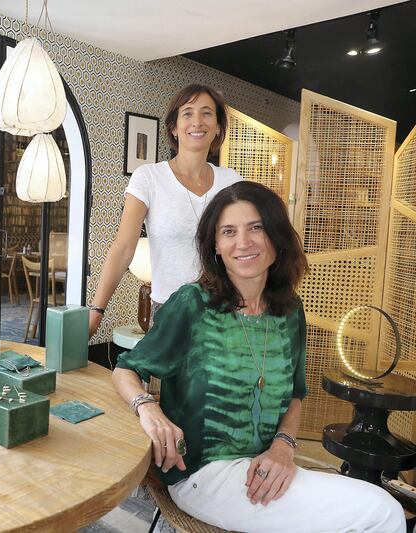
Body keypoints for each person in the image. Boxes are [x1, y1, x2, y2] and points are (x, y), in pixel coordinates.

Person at [112, 181, 405, 532]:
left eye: (256, 228)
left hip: (267, 465)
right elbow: (126, 369)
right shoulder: (192, 305)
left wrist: (283, 447)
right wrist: (148, 408)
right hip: (204, 474)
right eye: (229, 232)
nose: (244, 242)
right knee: (383, 512)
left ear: (276, 237)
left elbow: (295, 394)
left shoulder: (290, 311)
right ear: (216, 246)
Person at [88, 83, 242, 337]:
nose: (197, 121)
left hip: (224, 312)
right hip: (170, 311)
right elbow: (124, 247)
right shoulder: (148, 177)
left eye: (207, 113)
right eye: (188, 113)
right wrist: (97, 309)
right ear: (174, 127)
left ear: (217, 128)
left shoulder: (233, 182)